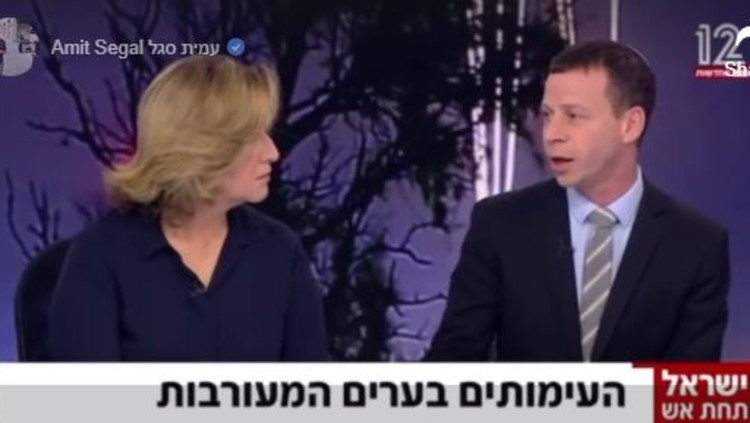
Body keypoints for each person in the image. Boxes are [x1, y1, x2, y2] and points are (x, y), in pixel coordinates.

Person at [425, 40, 729, 362]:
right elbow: (452, 365)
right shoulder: (500, 224)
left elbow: (689, 386)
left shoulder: (696, 245)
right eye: (548, 115)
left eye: (573, 115)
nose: (551, 134)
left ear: (630, 125)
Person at [47, 55, 328, 361]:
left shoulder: (279, 251)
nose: (273, 152)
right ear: (200, 148)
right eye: (251, 137)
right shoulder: (101, 254)